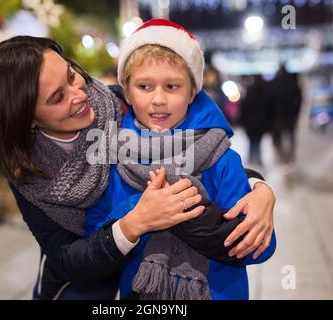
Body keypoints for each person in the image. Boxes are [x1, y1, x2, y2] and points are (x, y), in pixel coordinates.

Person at [0, 35, 275, 300]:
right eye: (57, 97)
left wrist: (258, 187)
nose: (80, 94)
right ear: (28, 120)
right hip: (86, 286)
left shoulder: (124, 106)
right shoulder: (28, 171)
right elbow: (67, 258)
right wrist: (136, 220)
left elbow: (200, 147)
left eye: (72, 75)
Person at [87, 19, 276, 300]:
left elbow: (261, 246)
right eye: (145, 86)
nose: (159, 99)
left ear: (192, 92)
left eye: (172, 86)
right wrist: (142, 211)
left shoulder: (221, 158)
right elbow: (95, 240)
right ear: (126, 91)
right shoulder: (115, 158)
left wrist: (187, 216)